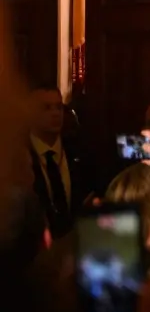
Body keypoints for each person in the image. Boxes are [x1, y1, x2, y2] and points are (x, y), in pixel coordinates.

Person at [27, 84, 94, 237]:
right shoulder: (19, 155)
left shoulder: (79, 152)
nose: (56, 114)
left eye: (59, 107)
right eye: (46, 108)